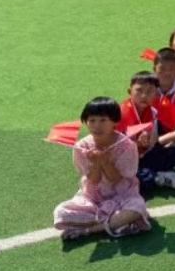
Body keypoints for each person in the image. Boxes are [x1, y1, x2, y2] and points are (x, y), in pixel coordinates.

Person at [53, 97, 151, 239]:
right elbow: (93, 180)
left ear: (115, 121)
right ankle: (119, 223)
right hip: (93, 197)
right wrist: (96, 163)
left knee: (137, 207)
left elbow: (116, 179)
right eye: (92, 120)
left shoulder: (127, 145)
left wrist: (105, 161)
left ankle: (90, 229)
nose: (97, 126)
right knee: (61, 212)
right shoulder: (82, 146)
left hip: (122, 195)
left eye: (103, 120)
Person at [116, 74, 175, 193]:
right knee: (129, 181)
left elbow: (152, 144)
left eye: (149, 92)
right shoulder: (121, 114)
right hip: (124, 162)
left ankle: (150, 174)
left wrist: (147, 142)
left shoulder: (153, 112)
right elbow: (114, 149)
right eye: (139, 91)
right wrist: (136, 144)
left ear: (156, 94)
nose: (144, 96)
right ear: (129, 91)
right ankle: (155, 177)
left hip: (141, 158)